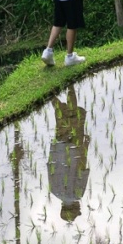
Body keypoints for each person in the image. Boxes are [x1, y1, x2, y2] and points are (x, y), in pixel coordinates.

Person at [47, 85, 90, 222]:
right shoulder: (54, 191)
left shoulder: (77, 195)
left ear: (73, 209)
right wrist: (55, 147)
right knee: (61, 118)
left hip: (74, 148)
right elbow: (50, 166)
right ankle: (50, 92)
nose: (80, 209)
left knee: (73, 114)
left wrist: (85, 146)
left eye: (78, 210)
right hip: (59, 146)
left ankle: (70, 85)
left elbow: (81, 167)